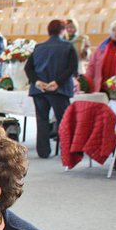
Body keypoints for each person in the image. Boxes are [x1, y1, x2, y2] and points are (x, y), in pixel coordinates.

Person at [25, 19, 78, 159]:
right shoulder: (68, 46)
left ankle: (43, 151)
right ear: (63, 30)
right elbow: (72, 68)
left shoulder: (39, 47)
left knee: (41, 120)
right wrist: (57, 82)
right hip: (58, 90)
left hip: (39, 90)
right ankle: (67, 150)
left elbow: (28, 68)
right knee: (64, 120)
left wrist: (37, 82)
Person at [86, 19, 116, 93]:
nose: (115, 33)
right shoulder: (102, 46)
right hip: (101, 86)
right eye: (113, 30)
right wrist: (88, 80)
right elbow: (92, 65)